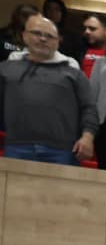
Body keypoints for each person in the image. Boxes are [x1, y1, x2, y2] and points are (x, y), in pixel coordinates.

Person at [0, 14, 97, 165]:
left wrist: (87, 137)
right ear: (24, 36)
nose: (43, 39)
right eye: (37, 33)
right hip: (16, 147)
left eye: (49, 36)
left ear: (58, 42)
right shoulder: (5, 69)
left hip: (63, 151)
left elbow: (89, 108)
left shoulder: (74, 74)